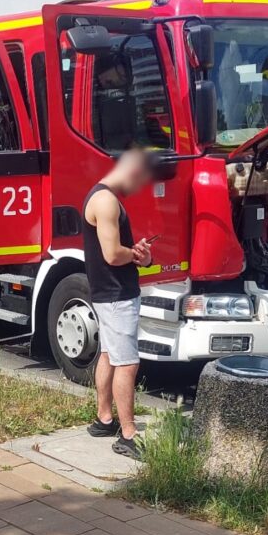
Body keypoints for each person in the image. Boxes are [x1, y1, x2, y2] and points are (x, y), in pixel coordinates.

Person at [82, 147, 154, 459]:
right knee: (127, 363)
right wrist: (136, 254)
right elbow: (112, 254)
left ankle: (104, 419)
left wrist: (137, 254)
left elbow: (113, 250)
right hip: (116, 294)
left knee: (109, 356)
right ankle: (128, 435)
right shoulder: (106, 200)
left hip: (108, 293)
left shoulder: (100, 196)